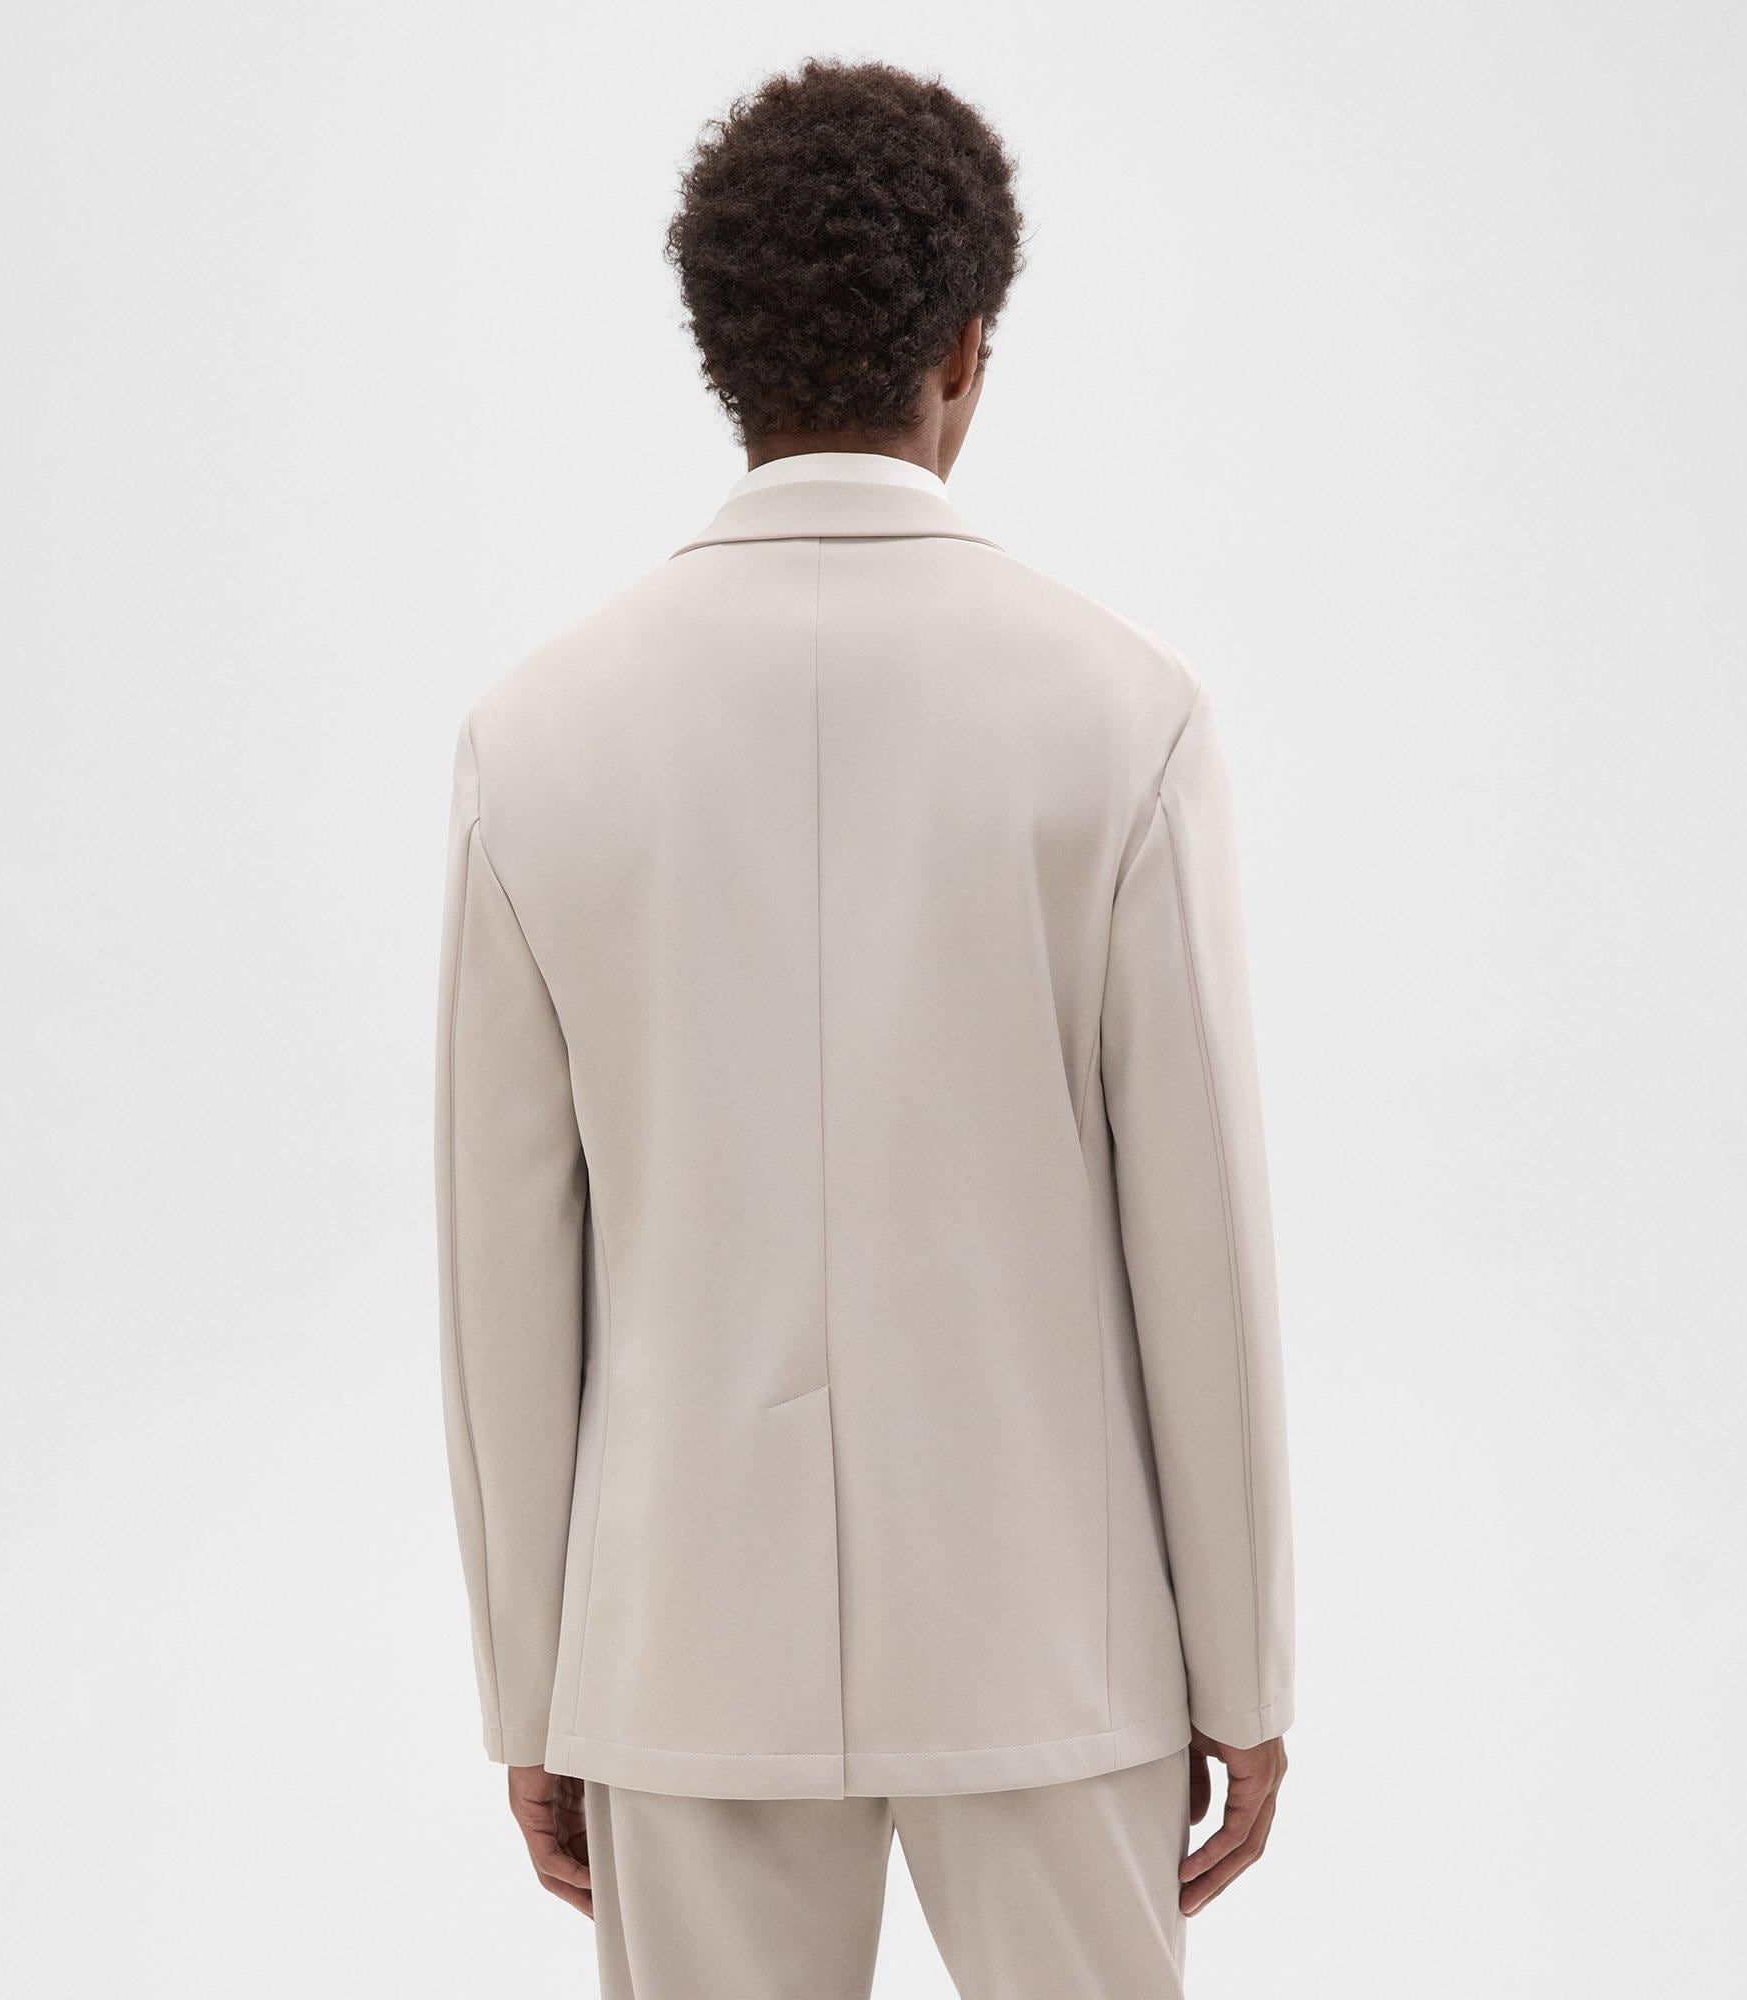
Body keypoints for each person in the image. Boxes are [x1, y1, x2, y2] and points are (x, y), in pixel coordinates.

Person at [435, 58, 1294, 1997]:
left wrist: (532, 1681)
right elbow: (1199, 1234)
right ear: (967, 350)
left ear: (719, 352)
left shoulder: (535, 737)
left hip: (678, 1649)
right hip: (1055, 1642)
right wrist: (1241, 1666)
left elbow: (505, 1269)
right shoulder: (1123, 714)